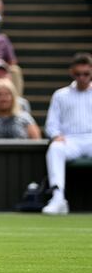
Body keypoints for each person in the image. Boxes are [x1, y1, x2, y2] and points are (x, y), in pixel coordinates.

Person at [42, 53, 92, 215]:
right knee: (55, 148)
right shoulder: (60, 95)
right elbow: (51, 124)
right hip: (70, 140)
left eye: (86, 74)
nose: (82, 78)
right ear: (72, 73)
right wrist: (56, 135)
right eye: (78, 74)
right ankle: (58, 198)